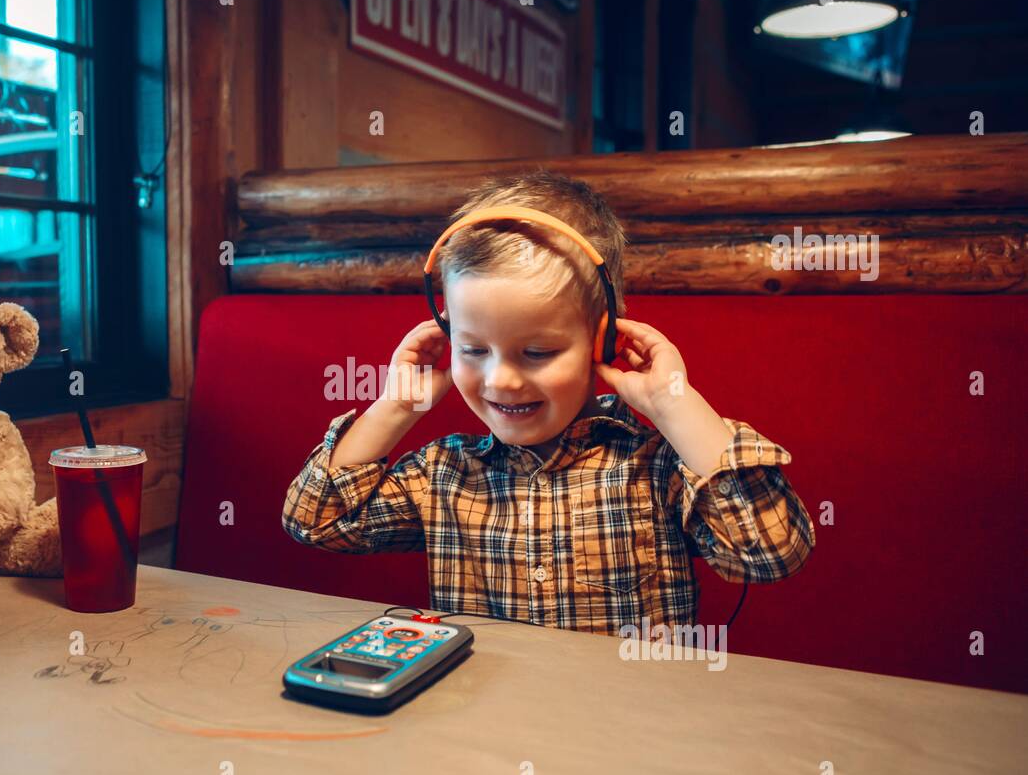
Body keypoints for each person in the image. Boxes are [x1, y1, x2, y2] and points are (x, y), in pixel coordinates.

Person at [283, 169, 814, 634]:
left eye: (536, 352)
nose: (503, 380)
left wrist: (675, 405)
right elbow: (315, 520)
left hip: (633, 730)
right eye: (473, 349)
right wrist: (396, 406)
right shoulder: (442, 473)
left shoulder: (657, 467)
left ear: (604, 342)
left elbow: (772, 551)